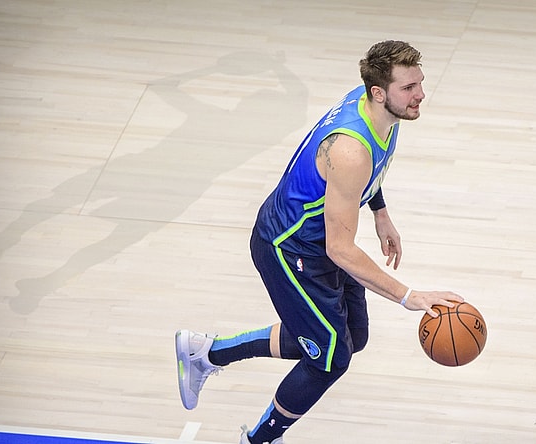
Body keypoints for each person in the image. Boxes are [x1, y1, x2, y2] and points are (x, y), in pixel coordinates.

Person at [175, 40, 464, 444]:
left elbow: (365, 179)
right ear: (378, 93)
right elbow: (340, 249)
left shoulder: (380, 112)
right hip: (288, 249)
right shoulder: (350, 150)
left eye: (420, 83)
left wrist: (380, 211)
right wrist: (408, 296)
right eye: (408, 87)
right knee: (329, 359)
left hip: (318, 240)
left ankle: (207, 352)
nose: (419, 95)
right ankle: (259, 439)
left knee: (350, 337)